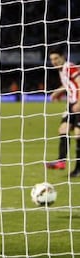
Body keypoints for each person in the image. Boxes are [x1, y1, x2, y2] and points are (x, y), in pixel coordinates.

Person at [46, 48, 80, 177]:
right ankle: (61, 161)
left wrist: (79, 102)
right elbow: (68, 85)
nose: (54, 62)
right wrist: (57, 92)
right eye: (52, 59)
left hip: (78, 104)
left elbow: (79, 83)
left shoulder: (70, 67)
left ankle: (78, 169)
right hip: (71, 105)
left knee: (78, 135)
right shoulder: (62, 71)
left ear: (63, 57)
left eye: (56, 59)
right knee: (63, 129)